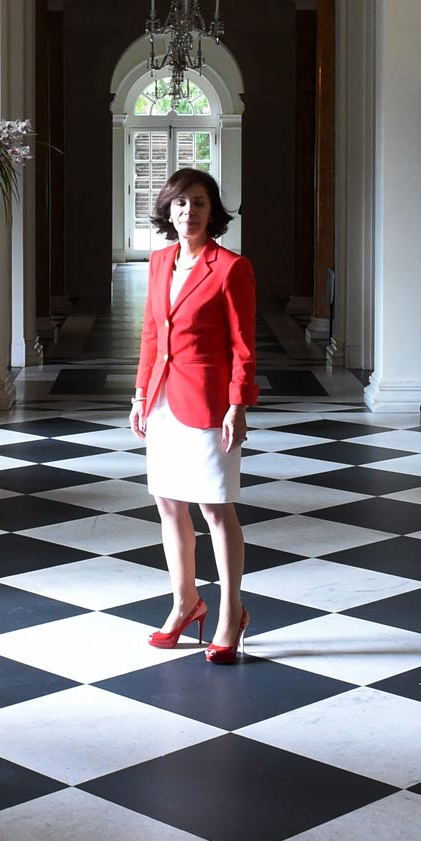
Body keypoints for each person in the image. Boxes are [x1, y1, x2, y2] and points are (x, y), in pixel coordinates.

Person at [131, 167, 258, 664]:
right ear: (168, 209)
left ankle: (231, 612)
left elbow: (244, 346)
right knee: (167, 503)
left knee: (215, 508)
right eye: (181, 202)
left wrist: (237, 404)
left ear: (213, 210)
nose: (189, 212)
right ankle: (186, 601)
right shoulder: (159, 261)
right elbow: (149, 332)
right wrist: (141, 394)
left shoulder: (230, 268)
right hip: (162, 399)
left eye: (199, 202)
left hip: (208, 402)